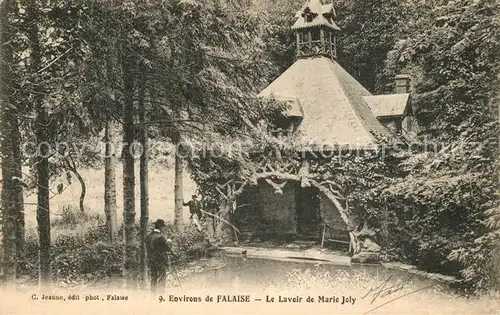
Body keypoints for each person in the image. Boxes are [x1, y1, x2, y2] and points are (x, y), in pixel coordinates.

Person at [146, 219, 174, 294]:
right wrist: (169, 245)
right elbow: (166, 248)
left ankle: (153, 296)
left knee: (153, 277)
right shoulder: (161, 237)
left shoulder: (148, 236)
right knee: (161, 277)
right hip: (160, 260)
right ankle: (161, 295)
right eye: (163, 227)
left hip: (151, 260)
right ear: (161, 228)